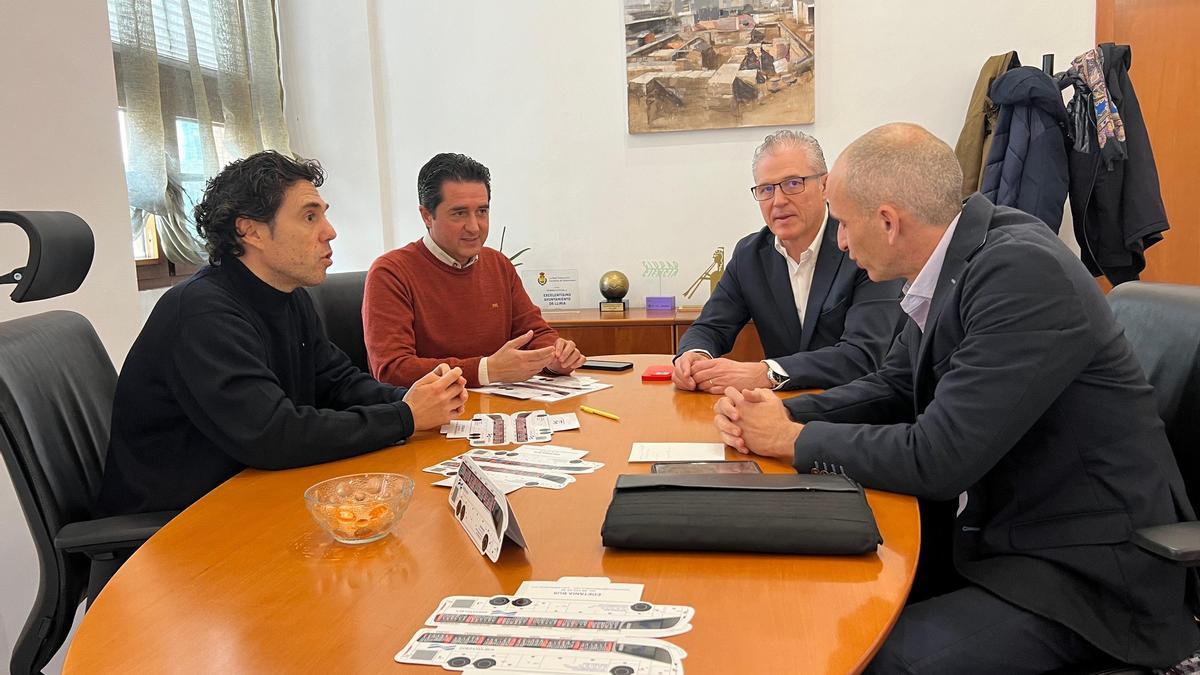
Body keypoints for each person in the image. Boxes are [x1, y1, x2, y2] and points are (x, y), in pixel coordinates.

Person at [714, 123, 1199, 672]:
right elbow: (894, 386)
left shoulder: (1020, 272)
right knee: (807, 596)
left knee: (858, 657)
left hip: (1078, 576)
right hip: (995, 535)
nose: (841, 242)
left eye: (844, 224)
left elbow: (938, 457)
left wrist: (795, 441)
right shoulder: (958, 262)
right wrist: (782, 412)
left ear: (889, 222)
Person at [97, 151, 467, 515]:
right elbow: (273, 435)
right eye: (309, 216)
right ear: (250, 231)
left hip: (254, 492)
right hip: (181, 524)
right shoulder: (201, 312)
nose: (330, 232)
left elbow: (337, 383)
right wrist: (405, 416)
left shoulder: (288, 296)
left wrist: (415, 397)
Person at [674, 130, 903, 394]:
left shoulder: (863, 247)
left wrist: (767, 372)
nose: (779, 201)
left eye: (793, 183)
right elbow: (710, 327)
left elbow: (863, 355)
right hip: (781, 408)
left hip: (860, 411)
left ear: (824, 186)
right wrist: (695, 356)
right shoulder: (750, 255)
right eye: (766, 189)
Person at [363, 152, 584, 388]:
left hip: (500, 411)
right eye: (459, 213)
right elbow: (392, 369)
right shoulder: (391, 272)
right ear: (427, 216)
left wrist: (555, 357)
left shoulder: (498, 265)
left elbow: (535, 334)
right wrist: (486, 370)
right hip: (433, 417)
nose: (474, 227)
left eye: (482, 211)